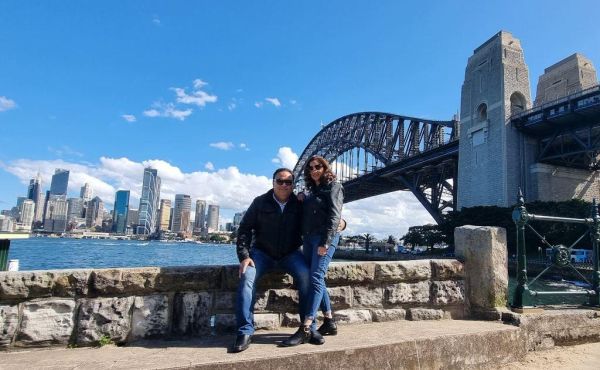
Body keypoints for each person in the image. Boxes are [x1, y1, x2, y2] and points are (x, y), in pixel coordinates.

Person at [232, 168, 323, 353]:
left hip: (291, 254)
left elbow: (322, 216)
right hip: (262, 253)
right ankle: (245, 331)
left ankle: (308, 327)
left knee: (307, 277)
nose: (284, 185)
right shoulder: (259, 202)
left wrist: (342, 223)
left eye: (288, 182)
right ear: (273, 182)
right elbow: (244, 229)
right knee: (247, 277)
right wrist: (244, 256)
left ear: (293, 185)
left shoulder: (300, 204)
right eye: (280, 181)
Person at [281, 155, 344, 346]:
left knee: (316, 277)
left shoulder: (334, 186)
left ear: (325, 168)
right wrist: (302, 198)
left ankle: (306, 327)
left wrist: (325, 242)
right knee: (317, 277)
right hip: (308, 240)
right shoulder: (313, 190)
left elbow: (335, 216)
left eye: (318, 166)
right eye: (311, 168)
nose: (314, 170)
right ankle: (329, 320)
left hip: (323, 239)